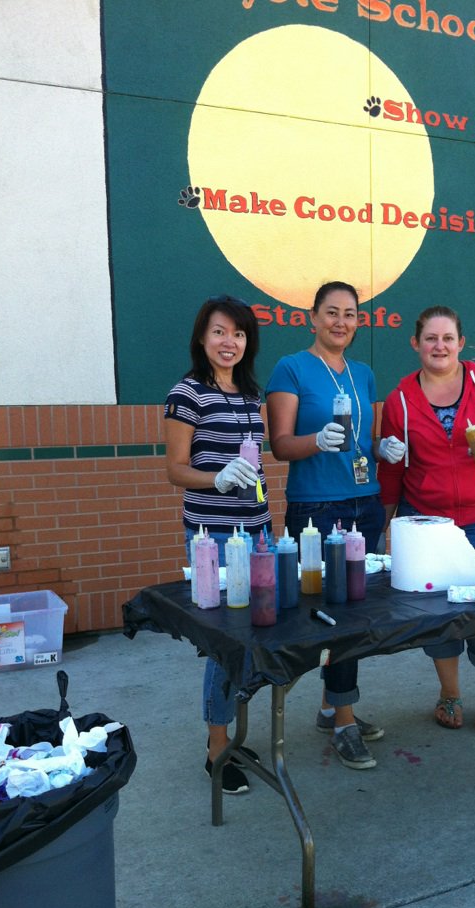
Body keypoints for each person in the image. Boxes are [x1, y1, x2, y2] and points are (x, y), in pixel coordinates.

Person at [265, 281, 405, 770]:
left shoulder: (364, 373)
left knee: (359, 613)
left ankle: (332, 706)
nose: (340, 321)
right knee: (335, 616)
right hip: (317, 510)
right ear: (313, 317)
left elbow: (363, 440)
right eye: (331, 312)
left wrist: (382, 449)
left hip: (366, 502)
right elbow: (281, 445)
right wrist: (315, 441)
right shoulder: (292, 368)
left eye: (349, 314)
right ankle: (345, 720)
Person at [378, 305, 475, 732]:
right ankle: (449, 695)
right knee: (437, 614)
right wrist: (385, 522)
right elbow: (392, 469)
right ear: (416, 344)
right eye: (430, 338)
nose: (439, 346)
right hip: (426, 525)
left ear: (461, 343)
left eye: (447, 338)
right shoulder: (400, 399)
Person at [164, 294, 271, 794]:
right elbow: (175, 471)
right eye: (219, 332)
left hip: (257, 530)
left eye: (239, 334)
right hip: (214, 536)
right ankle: (216, 748)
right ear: (202, 338)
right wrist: (217, 478)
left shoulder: (251, 395)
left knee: (252, 641)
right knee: (225, 644)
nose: (229, 342)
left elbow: (257, 468)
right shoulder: (187, 394)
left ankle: (234, 733)